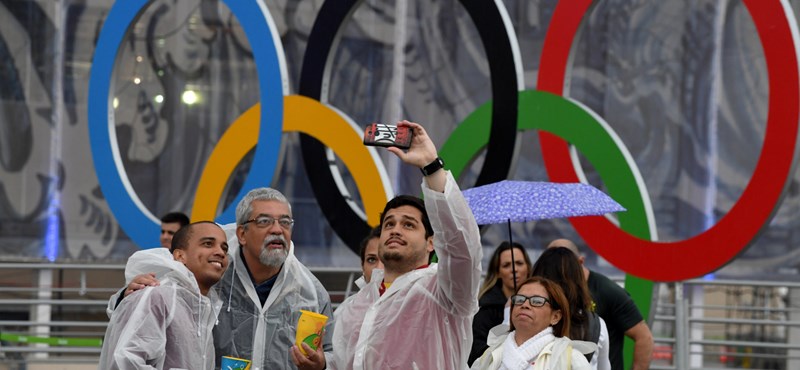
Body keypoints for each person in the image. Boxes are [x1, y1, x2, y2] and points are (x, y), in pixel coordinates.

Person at [115, 189, 334, 370]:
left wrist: (323, 363)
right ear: (241, 234)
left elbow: (335, 353)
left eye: (285, 222)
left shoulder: (310, 291)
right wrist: (126, 296)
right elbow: (151, 305)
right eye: (265, 221)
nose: (277, 229)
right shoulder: (211, 272)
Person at [329, 120, 482, 369]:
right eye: (389, 224)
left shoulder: (446, 292)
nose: (396, 230)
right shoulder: (354, 306)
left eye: (409, 225)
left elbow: (462, 247)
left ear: (432, 242)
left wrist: (431, 167)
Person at [99, 221, 229, 369]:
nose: (220, 252)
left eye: (224, 248)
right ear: (180, 256)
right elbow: (124, 362)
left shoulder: (206, 308)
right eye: (208, 244)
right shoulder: (158, 296)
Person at [547, 239, 653, 370]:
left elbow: (644, 336)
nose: (557, 271)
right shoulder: (547, 291)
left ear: (580, 261)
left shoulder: (607, 290)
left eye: (564, 265)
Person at [471, 277, 595, 370]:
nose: (525, 305)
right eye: (519, 299)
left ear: (555, 316)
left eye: (536, 301)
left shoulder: (571, 359)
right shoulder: (491, 353)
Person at [532, 247, 611, 370]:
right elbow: (604, 367)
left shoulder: (527, 316)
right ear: (578, 279)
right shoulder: (596, 324)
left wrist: (510, 310)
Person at [469, 241, 533, 365]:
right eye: (506, 265)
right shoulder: (485, 310)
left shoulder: (541, 305)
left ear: (528, 268)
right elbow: (477, 356)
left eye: (519, 263)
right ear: (497, 272)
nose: (514, 269)